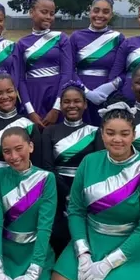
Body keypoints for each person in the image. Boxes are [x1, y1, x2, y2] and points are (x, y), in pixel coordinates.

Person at [50, 102, 140, 280]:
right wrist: (83, 253)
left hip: (132, 247)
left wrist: (108, 264)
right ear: (102, 134)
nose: (117, 139)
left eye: (124, 133)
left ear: (134, 135)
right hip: (92, 239)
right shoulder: (89, 162)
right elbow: (76, 210)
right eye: (110, 133)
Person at [0, 126, 57, 280]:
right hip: (6, 254)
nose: (14, 156)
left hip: (34, 253)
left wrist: (34, 271)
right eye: (7, 151)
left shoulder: (46, 179)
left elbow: (45, 228)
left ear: (30, 146)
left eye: (19, 149)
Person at [41, 81, 99, 256]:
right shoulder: (50, 131)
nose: (72, 105)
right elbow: (47, 167)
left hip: (87, 193)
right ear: (60, 105)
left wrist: (79, 196)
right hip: (57, 194)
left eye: (77, 101)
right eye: (66, 101)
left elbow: (97, 167)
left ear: (85, 104)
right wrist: (67, 194)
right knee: (59, 237)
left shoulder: (96, 132)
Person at [14, 0, 73, 128]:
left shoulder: (61, 38)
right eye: (44, 12)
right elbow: (20, 80)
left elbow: (67, 74)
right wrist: (30, 111)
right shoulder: (21, 44)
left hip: (57, 96)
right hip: (33, 97)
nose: (48, 17)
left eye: (52, 13)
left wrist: (57, 108)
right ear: (31, 12)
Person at [69, 0, 126, 125]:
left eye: (105, 12)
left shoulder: (118, 38)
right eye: (96, 10)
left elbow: (124, 71)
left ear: (111, 15)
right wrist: (85, 92)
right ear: (90, 11)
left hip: (108, 95)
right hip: (80, 94)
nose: (100, 15)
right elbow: (69, 69)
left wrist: (110, 87)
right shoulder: (76, 36)